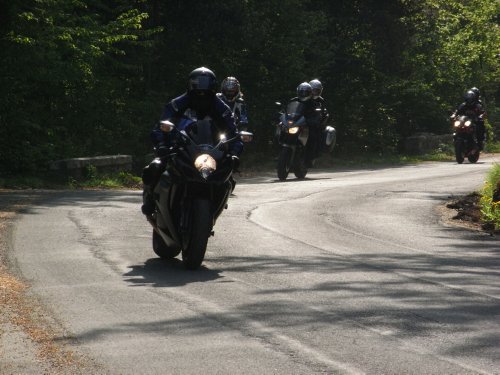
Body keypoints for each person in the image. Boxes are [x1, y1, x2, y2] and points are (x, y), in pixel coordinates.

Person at [141, 67, 243, 217]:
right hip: (181, 146)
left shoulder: (220, 106)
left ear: (213, 86)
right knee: (154, 168)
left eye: (206, 84)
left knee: (229, 178)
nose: (202, 89)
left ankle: (214, 210)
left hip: (210, 149)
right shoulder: (179, 102)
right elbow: (160, 125)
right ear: (190, 84)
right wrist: (162, 144)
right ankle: (149, 201)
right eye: (198, 83)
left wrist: (233, 152)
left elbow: (233, 131)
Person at [292, 82, 322, 167]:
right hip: (296, 122)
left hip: (307, 124)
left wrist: (315, 120)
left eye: (305, 92)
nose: (303, 94)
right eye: (301, 92)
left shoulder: (314, 102)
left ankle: (309, 158)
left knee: (312, 136)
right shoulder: (294, 100)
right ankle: (279, 151)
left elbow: (318, 114)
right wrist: (281, 114)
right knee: (280, 129)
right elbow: (287, 108)